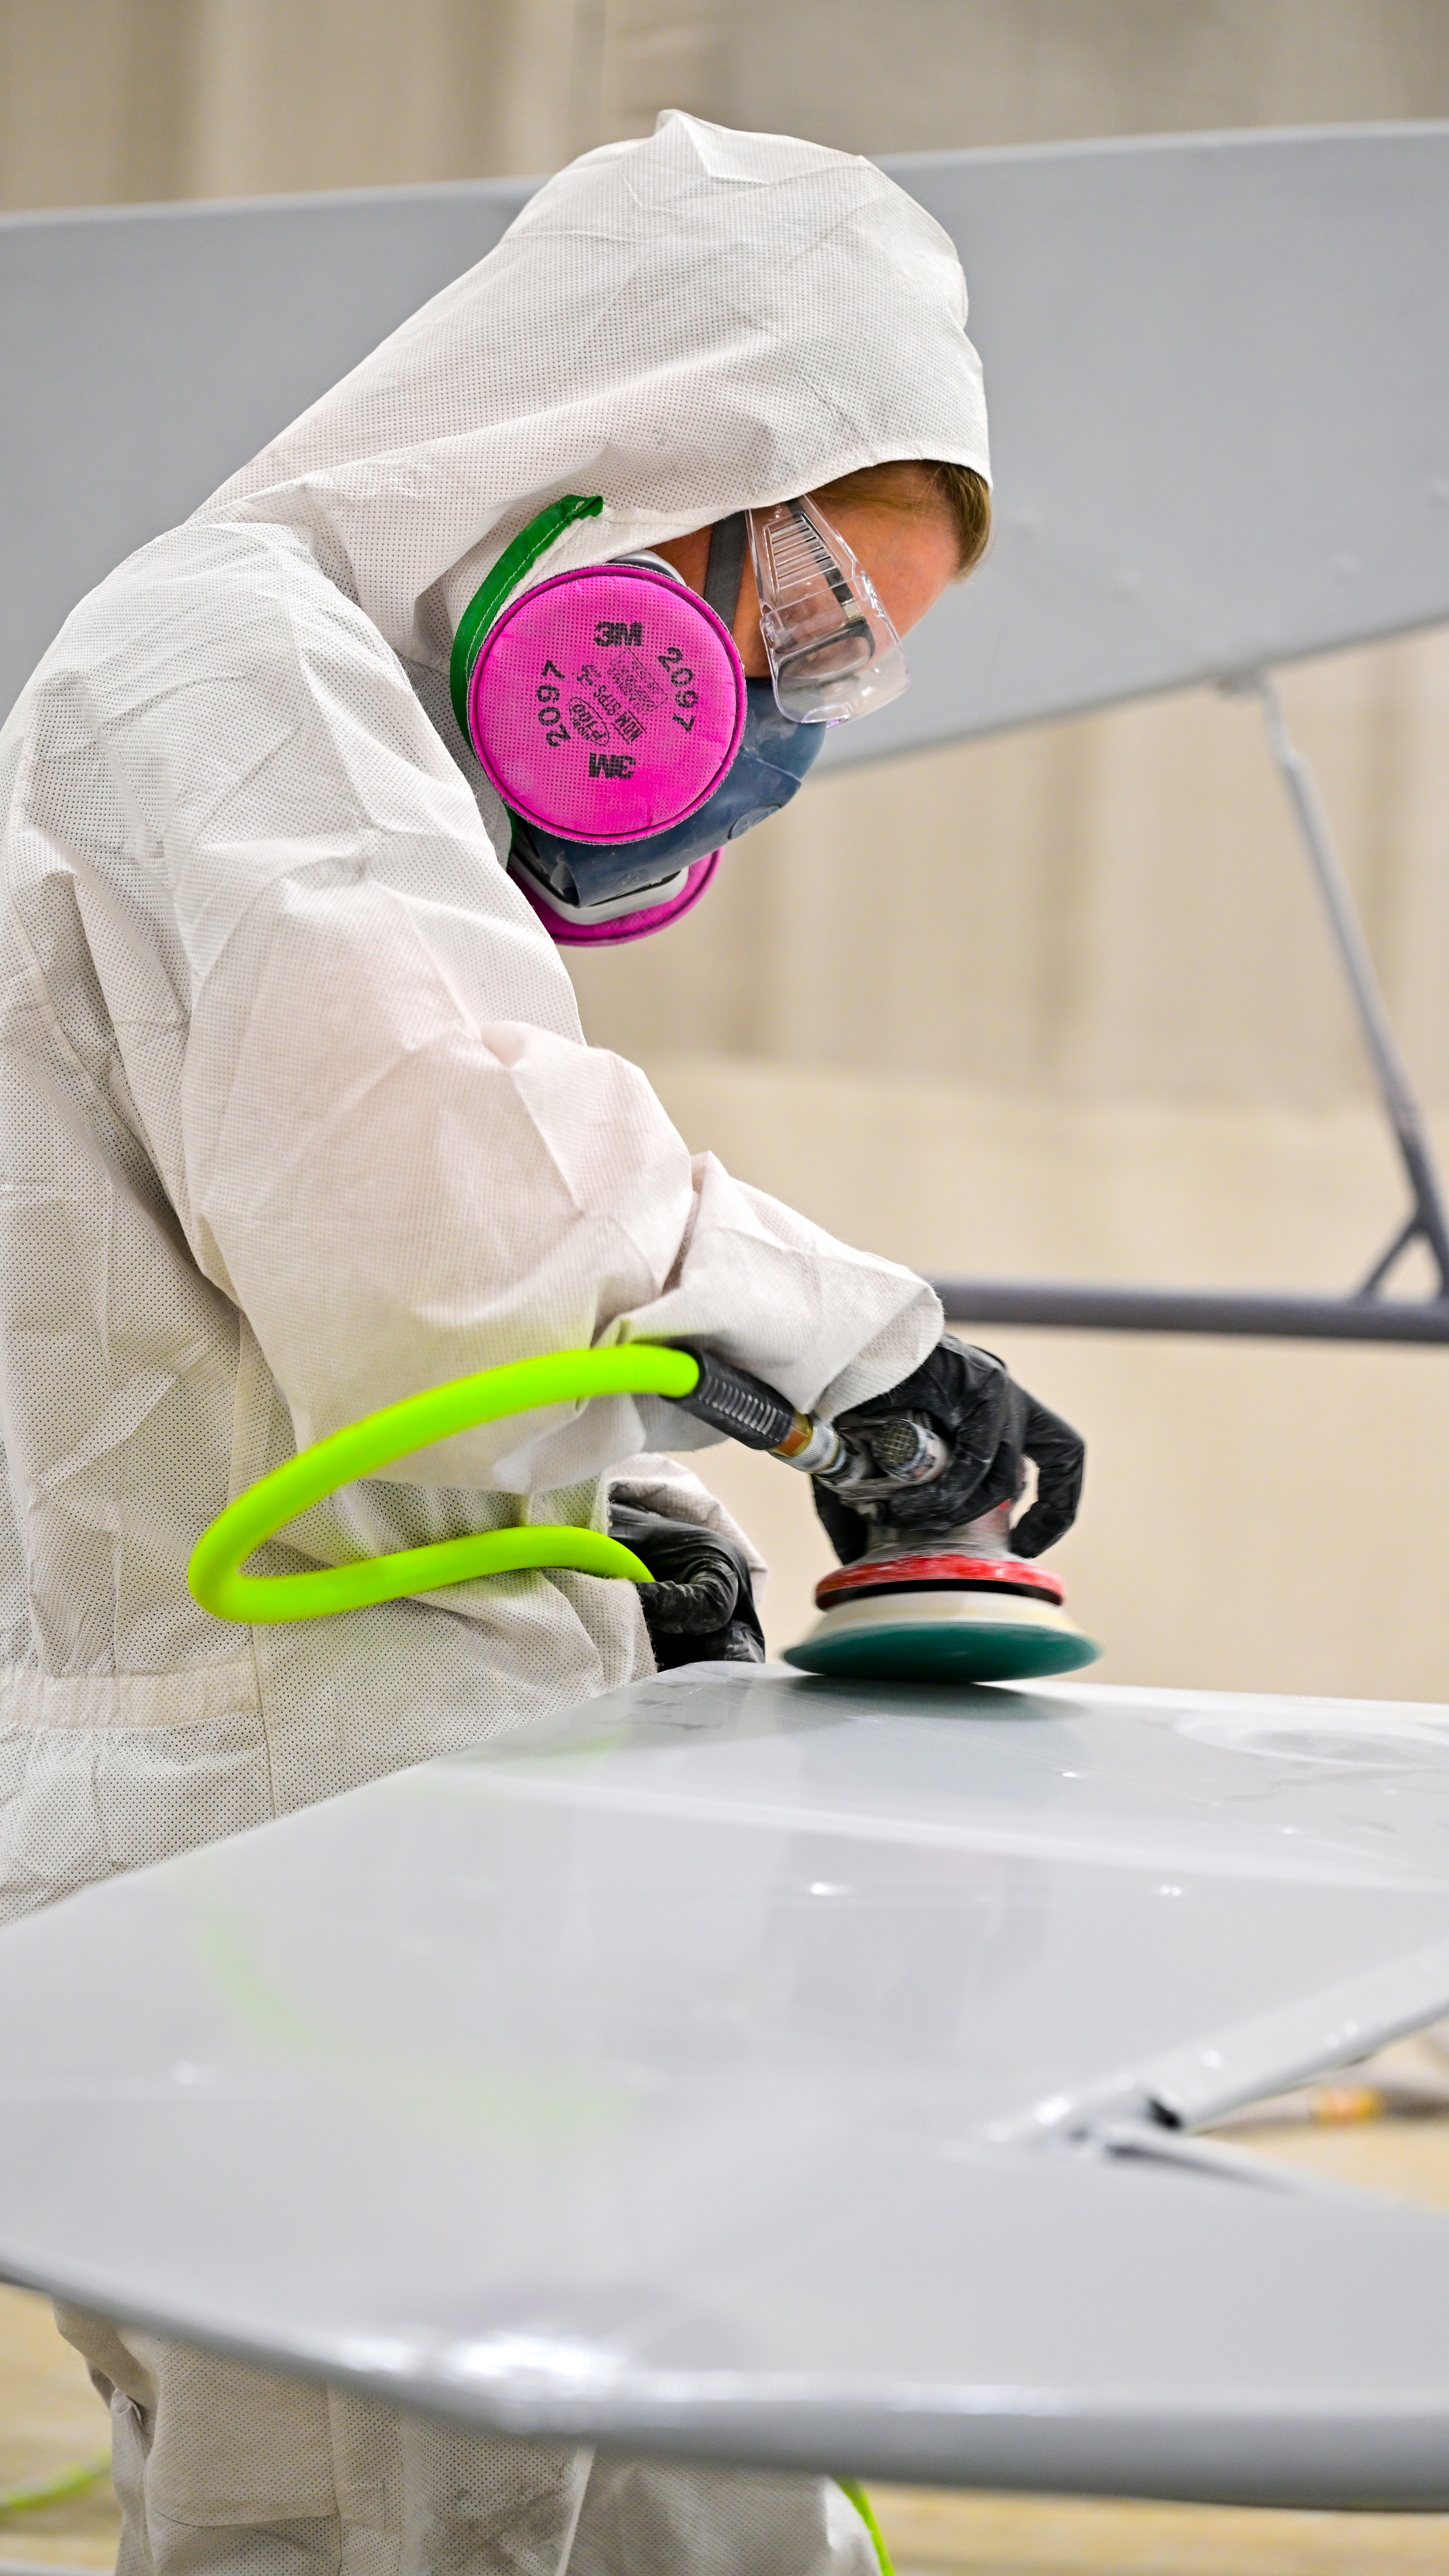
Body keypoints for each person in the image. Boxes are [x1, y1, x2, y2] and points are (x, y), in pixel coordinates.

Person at [0, 112, 1081, 2576]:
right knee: (381, 2535)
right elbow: (424, 1204)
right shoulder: (233, 659)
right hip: (279, 1862)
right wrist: (853, 1355)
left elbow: (305, 1311)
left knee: (690, 2508)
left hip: (414, 1823)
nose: (783, 721)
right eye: (792, 627)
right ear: (634, 472)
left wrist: (600, 1529)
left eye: (846, 672)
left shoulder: (346, 735)